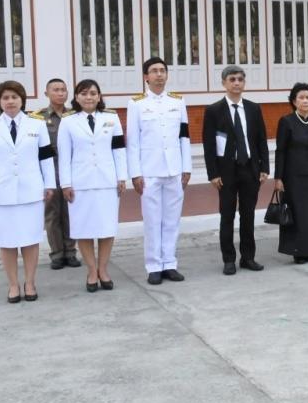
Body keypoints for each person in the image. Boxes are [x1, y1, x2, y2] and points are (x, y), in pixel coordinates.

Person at [0, 81, 55, 303]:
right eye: (5, 98)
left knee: (30, 239)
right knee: (6, 241)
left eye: (14, 97)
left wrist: (49, 184)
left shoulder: (36, 124)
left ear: (22, 100)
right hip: (0, 193)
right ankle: (13, 284)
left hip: (31, 191)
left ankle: (30, 282)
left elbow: (46, 157)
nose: (10, 101)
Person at [57, 79, 127, 292]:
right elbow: (64, 155)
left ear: (99, 96)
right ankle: (91, 271)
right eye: (84, 93)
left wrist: (121, 176)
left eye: (93, 93)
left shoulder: (111, 117)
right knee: (83, 229)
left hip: (107, 181)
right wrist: (66, 183)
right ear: (76, 97)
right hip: (80, 183)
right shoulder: (68, 121)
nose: (89, 97)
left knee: (107, 227)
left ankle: (103, 269)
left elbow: (119, 149)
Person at [127, 57, 192, 285]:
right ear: (146, 76)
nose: (159, 74)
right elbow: (133, 141)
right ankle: (154, 265)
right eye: (154, 71)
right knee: (152, 221)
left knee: (172, 220)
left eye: (162, 70)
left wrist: (186, 167)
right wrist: (135, 173)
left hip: (174, 169)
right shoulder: (136, 104)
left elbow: (184, 136)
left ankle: (169, 263)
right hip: (149, 171)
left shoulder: (178, 101)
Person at [203, 66, 270, 275]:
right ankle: (229, 259)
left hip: (250, 168)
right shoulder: (213, 111)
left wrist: (264, 167)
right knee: (227, 215)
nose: (237, 83)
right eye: (232, 79)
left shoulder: (253, 108)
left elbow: (261, 139)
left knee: (248, 215)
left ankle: (248, 257)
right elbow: (209, 145)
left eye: (240, 79)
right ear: (224, 83)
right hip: (226, 172)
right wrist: (213, 173)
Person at [274, 83, 308, 263]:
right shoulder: (286, 121)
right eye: (301, 98)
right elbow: (280, 151)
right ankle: (297, 251)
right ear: (294, 101)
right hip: (293, 176)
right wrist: (278, 177)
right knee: (297, 213)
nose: (305, 101)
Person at [34, 78, 81, 270]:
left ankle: (70, 252)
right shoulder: (38, 118)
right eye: (56, 90)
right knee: (52, 214)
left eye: (63, 89)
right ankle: (57, 254)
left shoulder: (75, 115)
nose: (60, 93)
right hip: (50, 170)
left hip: (71, 169)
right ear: (47, 93)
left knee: (70, 211)